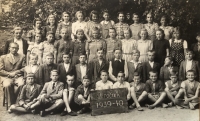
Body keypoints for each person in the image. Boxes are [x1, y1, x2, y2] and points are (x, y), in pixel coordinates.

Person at [0, 42, 25, 107]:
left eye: (16, 48)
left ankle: (17, 102)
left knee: (22, 84)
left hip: (17, 76)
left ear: (18, 49)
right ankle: (9, 104)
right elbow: (0, 70)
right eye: (13, 48)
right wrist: (9, 74)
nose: (14, 49)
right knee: (7, 85)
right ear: (9, 48)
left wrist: (15, 73)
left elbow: (24, 68)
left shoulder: (22, 56)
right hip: (6, 77)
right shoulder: (3, 57)